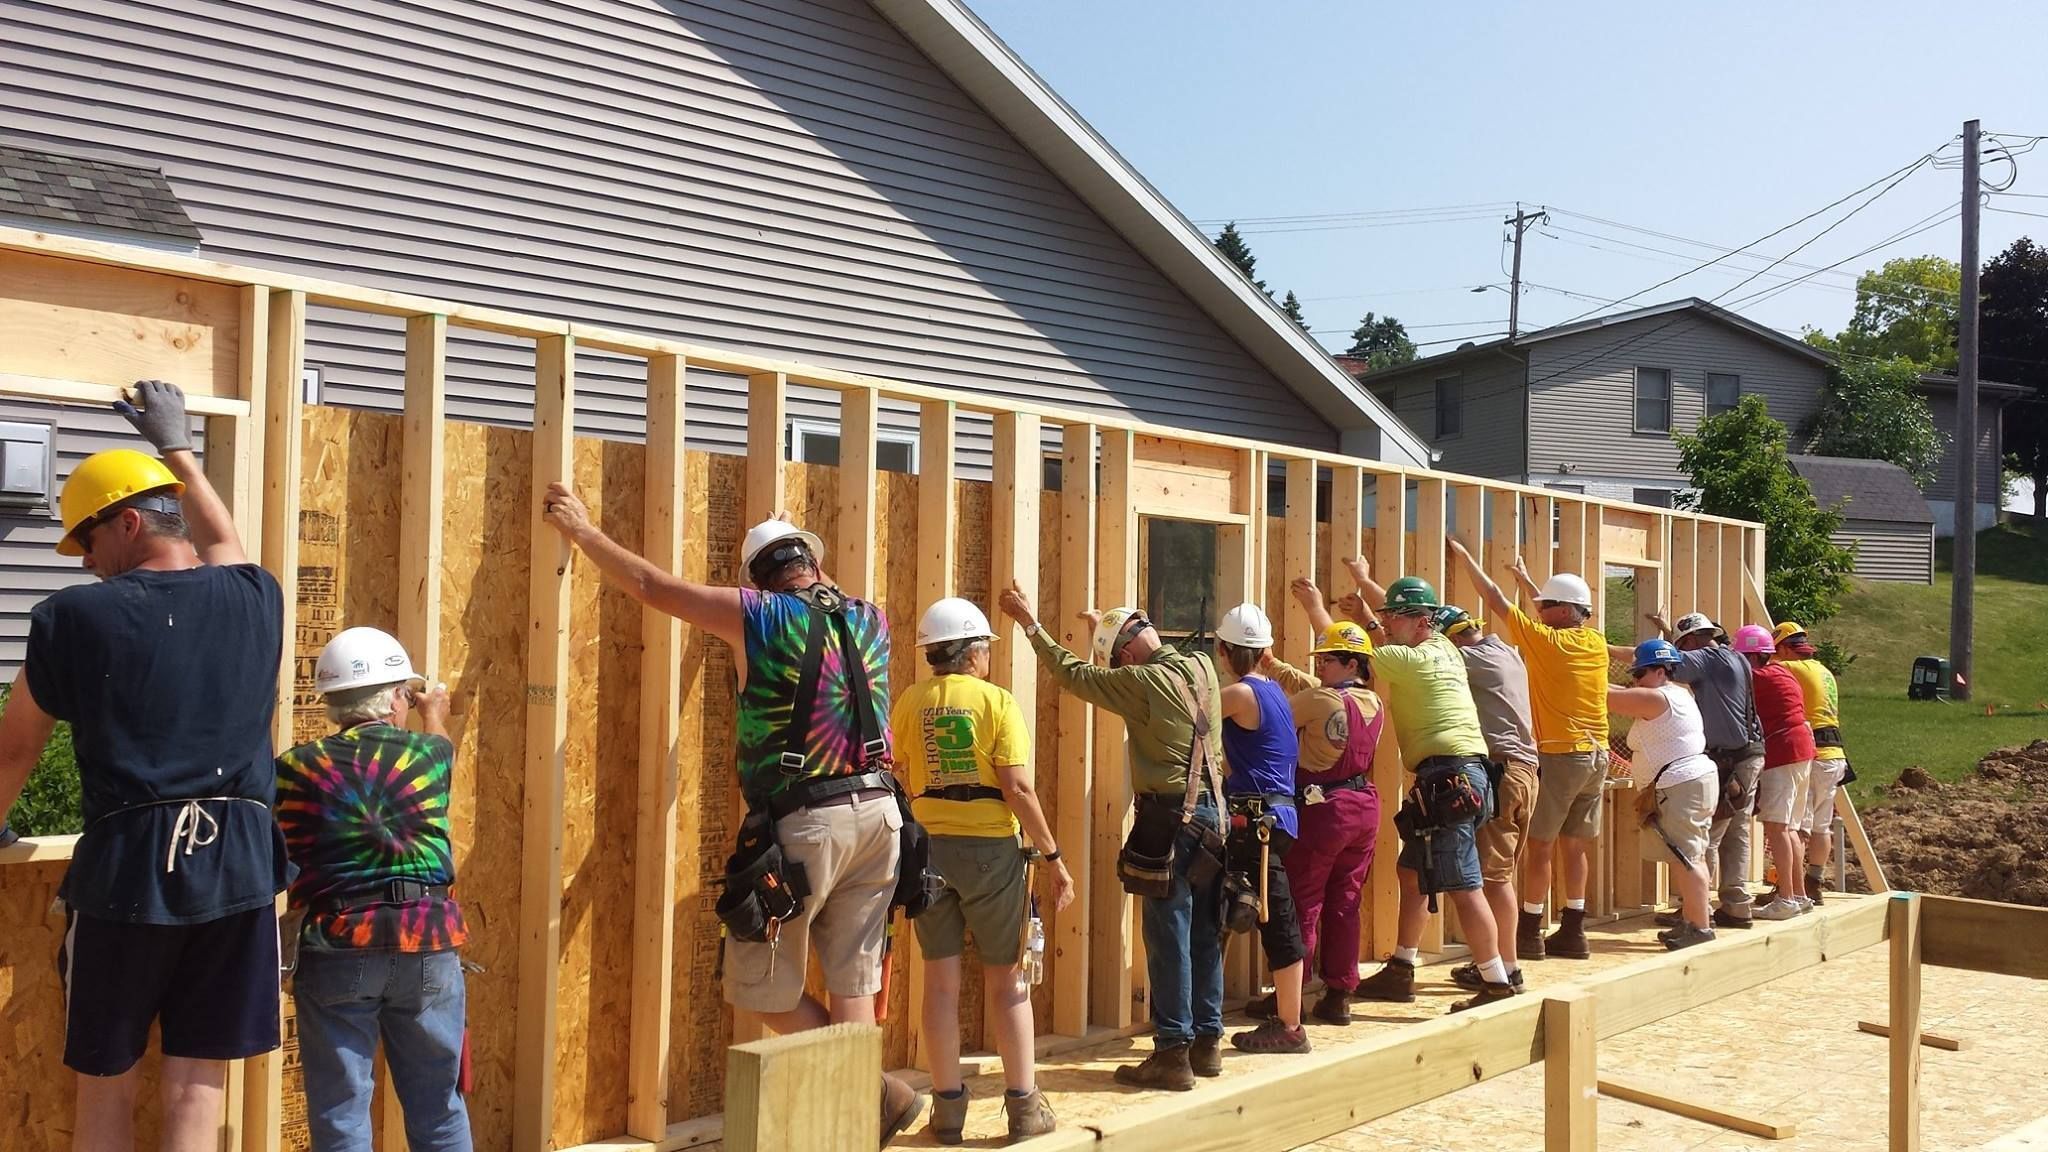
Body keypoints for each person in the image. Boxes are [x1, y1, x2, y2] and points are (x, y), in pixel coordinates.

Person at [540, 493, 926, 1143]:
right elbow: (826, 604)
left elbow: (653, 587)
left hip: (809, 823)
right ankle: (859, 1120)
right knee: (852, 984)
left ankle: (872, 1093)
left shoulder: (759, 616)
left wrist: (582, 531)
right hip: (883, 818)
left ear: (756, 577)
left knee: (762, 991)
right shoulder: (871, 617)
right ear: (814, 564)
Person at [0, 380, 288, 1152]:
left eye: (88, 542)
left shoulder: (71, 618)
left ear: (127, 524)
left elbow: (16, 747)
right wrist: (179, 449)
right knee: (199, 1083)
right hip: (240, 868)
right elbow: (223, 542)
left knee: (107, 1078)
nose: (88, 562)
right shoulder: (256, 595)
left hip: (132, 871)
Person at [996, 583, 1225, 1091]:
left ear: (1125, 656)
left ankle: (1172, 1052)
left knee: (1169, 937)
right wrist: (1110, 627)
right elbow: (1135, 652)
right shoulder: (1202, 665)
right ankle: (1208, 1043)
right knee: (1205, 932)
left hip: (1170, 822)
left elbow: (1073, 675)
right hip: (1214, 817)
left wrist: (1030, 623)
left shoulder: (1140, 683)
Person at [276, 629, 471, 1152]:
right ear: (392, 698)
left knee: (342, 1111)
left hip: (340, 941)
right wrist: (434, 711)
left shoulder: (295, 769)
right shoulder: (429, 757)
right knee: (439, 1107)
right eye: (404, 694)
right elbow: (441, 751)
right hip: (427, 940)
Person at [891, 598, 1072, 1144]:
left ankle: (946, 1114)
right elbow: (1016, 787)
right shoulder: (995, 702)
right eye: (986, 647)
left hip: (929, 850)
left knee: (940, 985)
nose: (989, 655)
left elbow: (900, 771)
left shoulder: (908, 703)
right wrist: (1053, 855)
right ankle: (1023, 1109)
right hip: (991, 850)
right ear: (971, 652)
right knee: (1008, 980)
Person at [1337, 561, 1514, 1012]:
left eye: (1395, 618)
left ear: (1419, 621)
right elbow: (1390, 623)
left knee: (1464, 885)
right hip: (1453, 778)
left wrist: (1321, 610)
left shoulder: (1409, 658)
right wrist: (1364, 583)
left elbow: (1348, 655)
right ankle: (1401, 968)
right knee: (1412, 873)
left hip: (1448, 779)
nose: (1388, 625)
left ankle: (1496, 982)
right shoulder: (1443, 647)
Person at [1447, 541, 1609, 963]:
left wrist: (1467, 560)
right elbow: (1556, 608)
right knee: (1575, 846)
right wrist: (1527, 580)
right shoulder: (1595, 643)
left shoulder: (1544, 642)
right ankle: (1574, 928)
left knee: (1539, 845)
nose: (1537, 611)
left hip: (1561, 754)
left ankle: (1531, 931)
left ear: (1561, 610)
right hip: (1598, 755)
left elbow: (1495, 601)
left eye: (1544, 605)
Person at [1255, 580, 1383, 1024]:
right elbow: (1317, 690)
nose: (1322, 666)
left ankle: (1287, 1000)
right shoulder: (1370, 701)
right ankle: (1340, 994)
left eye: (1327, 660)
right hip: (1364, 807)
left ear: (1349, 662)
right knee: (1345, 901)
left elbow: (1276, 716)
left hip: (1322, 809)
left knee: (1303, 901)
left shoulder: (1320, 699)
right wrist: (1279, 667)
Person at [1209, 603, 1311, 1055]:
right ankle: (1284, 1018)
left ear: (1224, 650)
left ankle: (1289, 1026)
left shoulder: (1238, 696)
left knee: (1266, 918)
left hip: (1258, 824)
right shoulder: (1273, 693)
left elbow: (1189, 715)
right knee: (1260, 912)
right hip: (1277, 817)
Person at [1632, 613, 1764, 930]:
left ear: (1690, 642)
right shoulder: (1734, 657)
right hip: (1748, 754)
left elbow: (1660, 662)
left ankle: (1697, 910)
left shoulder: (1704, 659)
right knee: (1737, 832)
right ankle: (1735, 905)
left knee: (1709, 838)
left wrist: (1605, 650)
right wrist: (1667, 631)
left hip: (1727, 761)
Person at [1435, 603, 1540, 990]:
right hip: (1525, 773)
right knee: (1502, 876)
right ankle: (1501, 963)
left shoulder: (1468, 661)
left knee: (1494, 880)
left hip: (1502, 774)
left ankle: (1507, 970)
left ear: (1455, 639)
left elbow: (1416, 657)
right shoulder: (1505, 651)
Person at [1608, 640, 1718, 950]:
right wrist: (1607, 649)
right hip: (1687, 782)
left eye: (1639, 674)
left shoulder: (1656, 698)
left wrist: (1577, 662)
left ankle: (1700, 928)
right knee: (1686, 854)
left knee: (1688, 857)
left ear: (1659, 672)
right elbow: (1639, 662)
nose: (1635, 680)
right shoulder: (1678, 691)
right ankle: (1695, 920)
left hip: (1681, 785)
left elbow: (1606, 696)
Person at [1729, 625, 1815, 921]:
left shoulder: (1756, 677)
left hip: (1784, 752)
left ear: (1750, 656)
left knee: (1777, 827)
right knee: (1788, 827)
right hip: (1800, 751)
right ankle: (1799, 896)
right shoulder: (1780, 671)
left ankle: (1787, 898)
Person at [1773, 622, 1847, 905]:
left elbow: (1757, 669)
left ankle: (1790, 889)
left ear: (1783, 648)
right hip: (1834, 756)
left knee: (1797, 827)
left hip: (1812, 755)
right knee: (1821, 825)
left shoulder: (1793, 668)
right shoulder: (1824, 670)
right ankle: (1813, 882)